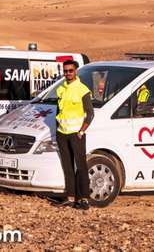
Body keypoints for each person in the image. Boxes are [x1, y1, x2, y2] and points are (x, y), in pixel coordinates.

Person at [53, 59, 95, 210]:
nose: (68, 73)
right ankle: (70, 197)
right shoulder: (61, 89)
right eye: (65, 71)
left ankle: (84, 198)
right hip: (62, 133)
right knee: (67, 166)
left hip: (77, 134)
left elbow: (90, 114)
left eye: (70, 71)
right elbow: (59, 111)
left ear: (76, 71)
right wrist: (57, 128)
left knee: (81, 166)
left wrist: (81, 131)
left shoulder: (82, 89)